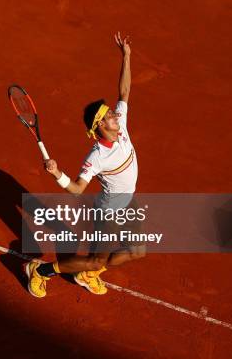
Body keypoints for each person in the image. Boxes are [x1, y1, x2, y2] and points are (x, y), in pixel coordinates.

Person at [25, 32, 145, 297]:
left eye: (113, 113)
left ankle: (88, 275)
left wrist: (126, 56)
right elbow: (78, 188)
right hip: (109, 213)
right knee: (95, 258)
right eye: (110, 116)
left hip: (128, 202)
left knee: (136, 250)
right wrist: (57, 173)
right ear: (100, 125)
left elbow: (124, 91)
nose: (115, 114)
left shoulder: (120, 126)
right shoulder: (97, 157)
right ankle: (41, 271)